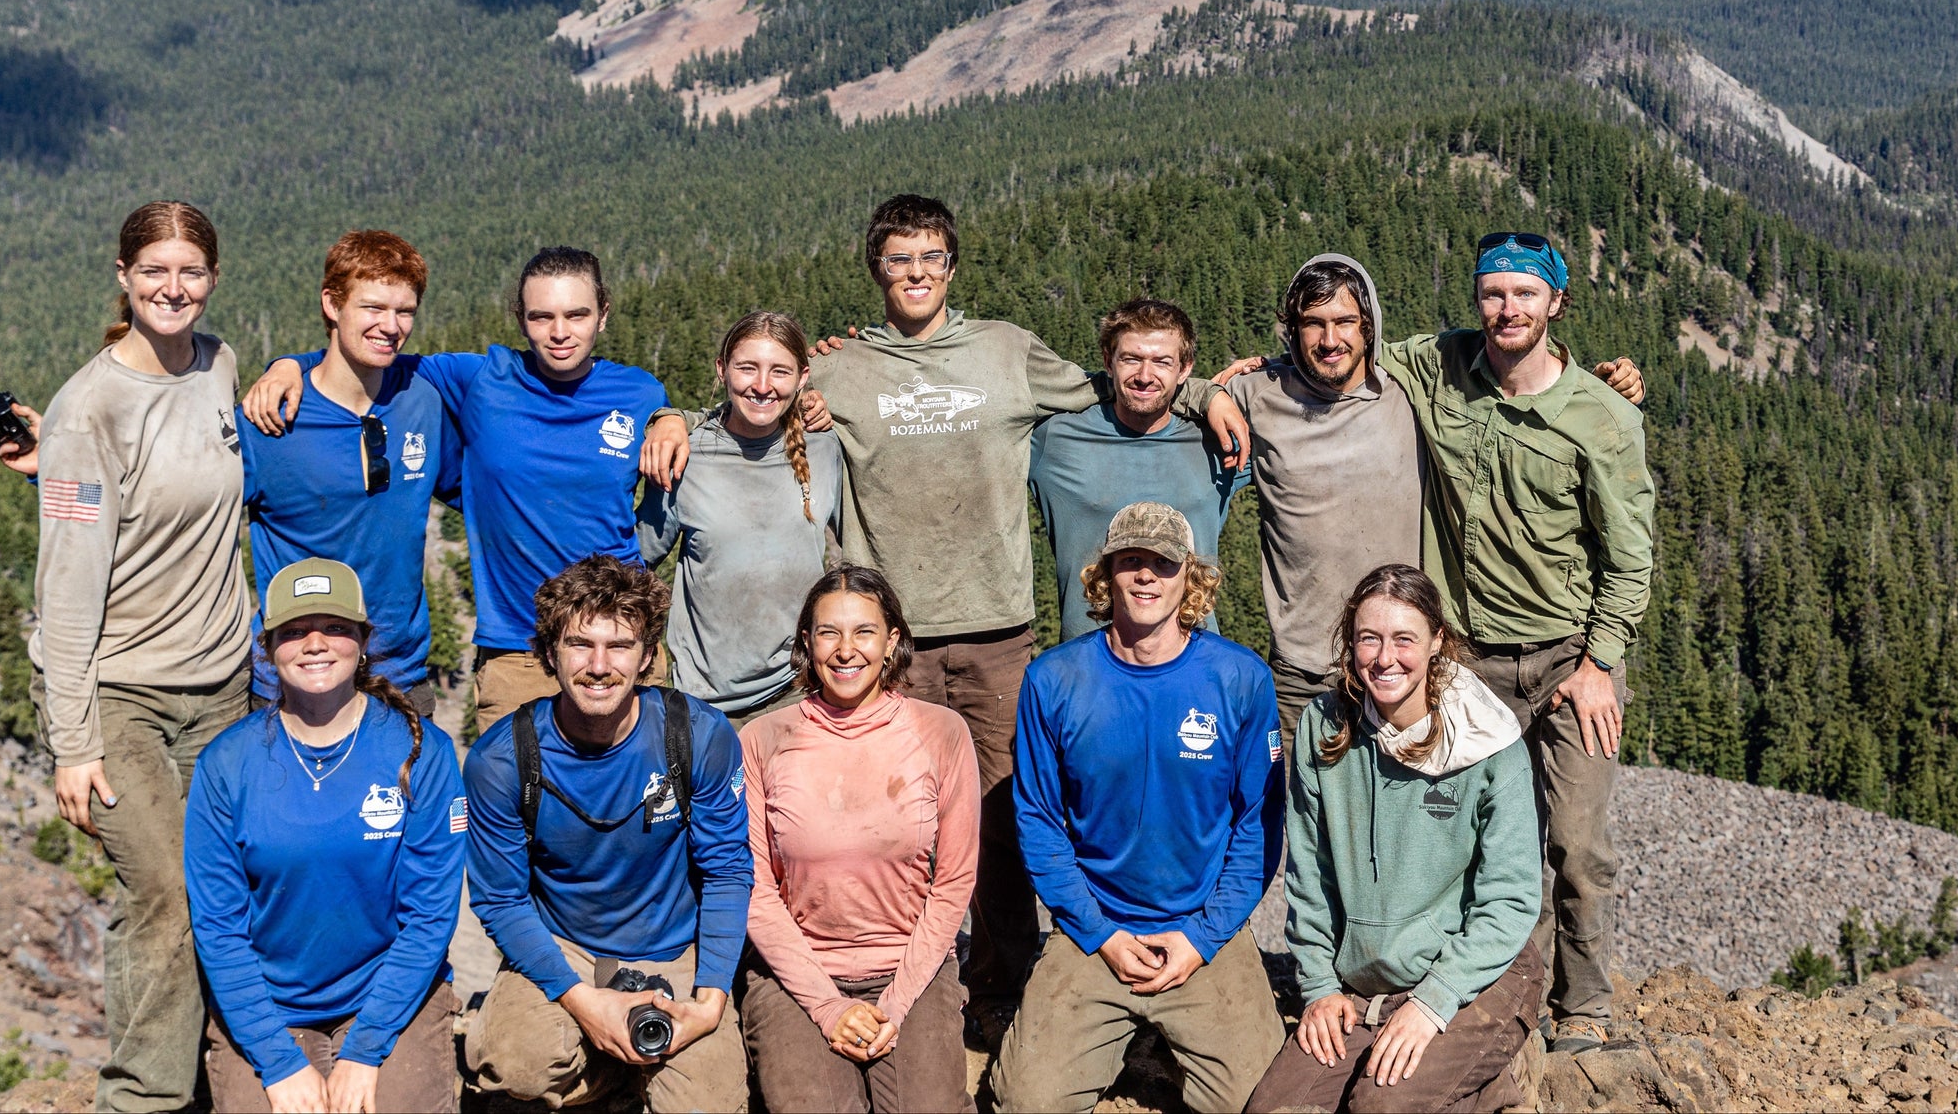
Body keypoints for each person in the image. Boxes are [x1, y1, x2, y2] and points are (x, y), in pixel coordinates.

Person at [646, 194, 1251, 1024]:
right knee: (879, 821)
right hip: (885, 646)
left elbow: (1116, 384)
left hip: (998, 634)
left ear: (953, 266)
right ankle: (891, 985)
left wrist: (1204, 397)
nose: (916, 274)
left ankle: (1001, 986)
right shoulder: (843, 366)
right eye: (898, 260)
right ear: (876, 270)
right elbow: (755, 392)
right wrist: (668, 414)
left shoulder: (1006, 349)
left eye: (930, 258)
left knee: (1002, 819)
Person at [0, 199, 254, 1113]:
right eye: (154, 271)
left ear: (213, 279)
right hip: (121, 692)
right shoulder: (85, 410)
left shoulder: (220, 364)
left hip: (223, 684)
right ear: (123, 277)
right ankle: (142, 1102)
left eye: (190, 271)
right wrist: (73, 742)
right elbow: (65, 589)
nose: (173, 288)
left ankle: (228, 1083)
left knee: (230, 888)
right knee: (167, 895)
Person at [1376, 232, 1656, 1055]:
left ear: (1556, 303)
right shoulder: (1440, 368)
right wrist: (1227, 387)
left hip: (1570, 658)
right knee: (1485, 846)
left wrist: (1600, 664)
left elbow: (1630, 555)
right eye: (1494, 294)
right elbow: (1342, 349)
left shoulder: (1602, 416)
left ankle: (1585, 1007)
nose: (1507, 310)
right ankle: (1504, 1002)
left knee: (1576, 845)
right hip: (1469, 663)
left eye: (1525, 295)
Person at [1215, 253, 1645, 744]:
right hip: (1301, 669)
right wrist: (1209, 396)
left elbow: (1526, 381)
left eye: (1345, 322)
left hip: (1403, 668)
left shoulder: (1407, 388)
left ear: (1371, 326)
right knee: (1302, 818)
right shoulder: (1255, 394)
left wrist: (1605, 388)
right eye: (1312, 323)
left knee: (1407, 816)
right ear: (1291, 329)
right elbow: (1167, 405)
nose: (1330, 340)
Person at [249, 245, 667, 728]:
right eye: (540, 316)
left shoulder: (641, 393)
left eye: (577, 314)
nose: (559, 332)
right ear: (519, 317)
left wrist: (672, 417)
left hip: (621, 639)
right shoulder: (481, 379)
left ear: (604, 313)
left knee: (645, 790)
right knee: (519, 796)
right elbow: (368, 355)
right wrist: (287, 365)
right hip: (521, 647)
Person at [994, 503, 1285, 1114]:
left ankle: (1164, 1043)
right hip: (1094, 927)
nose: (1146, 576)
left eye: (1162, 563)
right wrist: (1099, 933)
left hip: (1201, 924)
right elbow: (1040, 823)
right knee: (1027, 1102)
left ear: (1190, 579)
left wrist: (1203, 938)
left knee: (1260, 1101)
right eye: (1131, 562)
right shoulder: (1054, 681)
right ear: (1105, 577)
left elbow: (1256, 827)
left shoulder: (1240, 680)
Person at [461, 555, 752, 1112]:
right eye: (579, 644)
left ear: (647, 656)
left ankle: (620, 1070)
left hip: (673, 946)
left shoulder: (694, 735)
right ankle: (613, 1069)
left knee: (708, 1102)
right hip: (566, 944)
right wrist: (581, 1002)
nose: (599, 665)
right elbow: (500, 899)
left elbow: (727, 870)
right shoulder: (504, 760)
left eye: (619, 645)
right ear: (549, 654)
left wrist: (711, 998)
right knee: (517, 1065)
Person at [1245, 564, 1540, 1114]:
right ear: (1349, 644)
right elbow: (1311, 875)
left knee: (1378, 1108)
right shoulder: (1323, 727)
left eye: (1405, 639)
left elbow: (1511, 898)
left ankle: (1490, 1072)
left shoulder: (1489, 741)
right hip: (1366, 980)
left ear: (1437, 643)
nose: (1385, 658)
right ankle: (1476, 1084)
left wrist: (1432, 1003)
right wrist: (1319, 988)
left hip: (1479, 971)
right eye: (1368, 639)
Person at [184, 558, 467, 1114]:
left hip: (389, 997)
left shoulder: (420, 752)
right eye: (293, 632)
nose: (315, 644)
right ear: (268, 649)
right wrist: (278, 1061)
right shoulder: (227, 764)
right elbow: (218, 928)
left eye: (335, 628)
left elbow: (430, 915)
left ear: (363, 641)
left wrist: (366, 1050)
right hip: (272, 1007)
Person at [739, 566, 979, 1114]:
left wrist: (895, 1005)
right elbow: (754, 887)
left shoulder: (941, 732)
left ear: (892, 640)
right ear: (807, 641)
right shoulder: (763, 739)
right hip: (798, 973)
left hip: (910, 967)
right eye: (829, 633)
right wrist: (826, 1006)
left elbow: (954, 881)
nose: (846, 650)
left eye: (864, 632)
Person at [233, 230, 460, 711]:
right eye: (373, 308)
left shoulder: (422, 399)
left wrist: (661, 417)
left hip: (400, 678)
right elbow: (180, 506)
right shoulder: (270, 418)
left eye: (405, 311)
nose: (391, 326)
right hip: (292, 684)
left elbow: (492, 484)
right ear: (332, 305)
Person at [638, 312, 844, 723]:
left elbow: (849, 555)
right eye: (747, 368)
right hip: (704, 706)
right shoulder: (687, 455)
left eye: (779, 371)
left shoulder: (824, 448)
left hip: (801, 693)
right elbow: (636, 561)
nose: (763, 386)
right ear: (722, 369)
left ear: (803, 377)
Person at [1029, 297, 1244, 639]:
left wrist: (1216, 392)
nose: (1145, 376)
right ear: (1108, 362)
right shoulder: (1054, 439)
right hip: (1089, 664)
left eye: (1162, 362)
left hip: (1196, 662)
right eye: (1131, 359)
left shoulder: (1219, 440)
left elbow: (1305, 398)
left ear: (1185, 368)